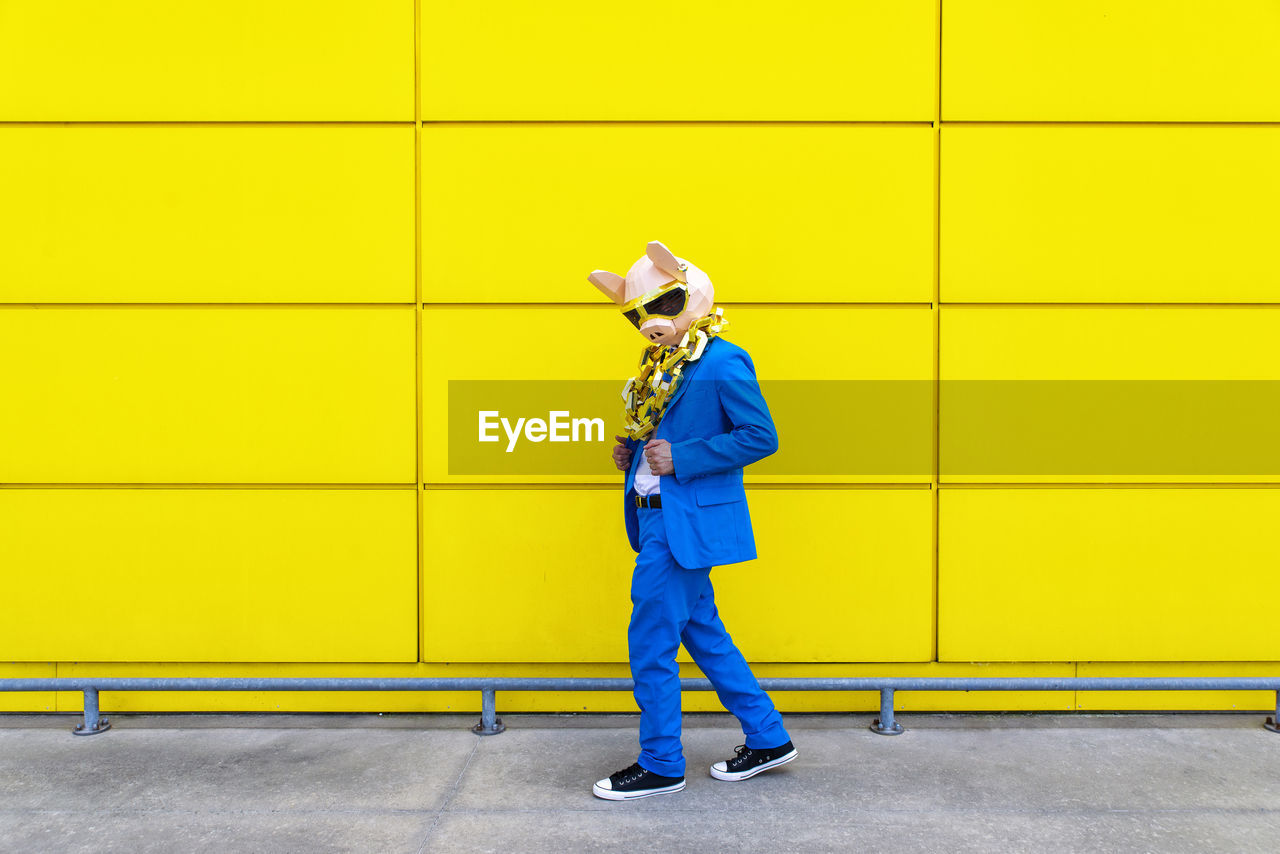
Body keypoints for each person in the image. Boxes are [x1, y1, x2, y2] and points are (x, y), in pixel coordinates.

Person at [585, 241, 796, 801]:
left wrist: (684, 458)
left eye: (661, 305)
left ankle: (661, 763)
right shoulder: (658, 366)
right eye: (637, 314)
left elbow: (760, 437)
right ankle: (769, 737)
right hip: (656, 518)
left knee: (650, 642)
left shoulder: (724, 360)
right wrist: (632, 456)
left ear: (692, 297)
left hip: (682, 526)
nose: (648, 324)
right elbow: (660, 431)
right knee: (705, 636)